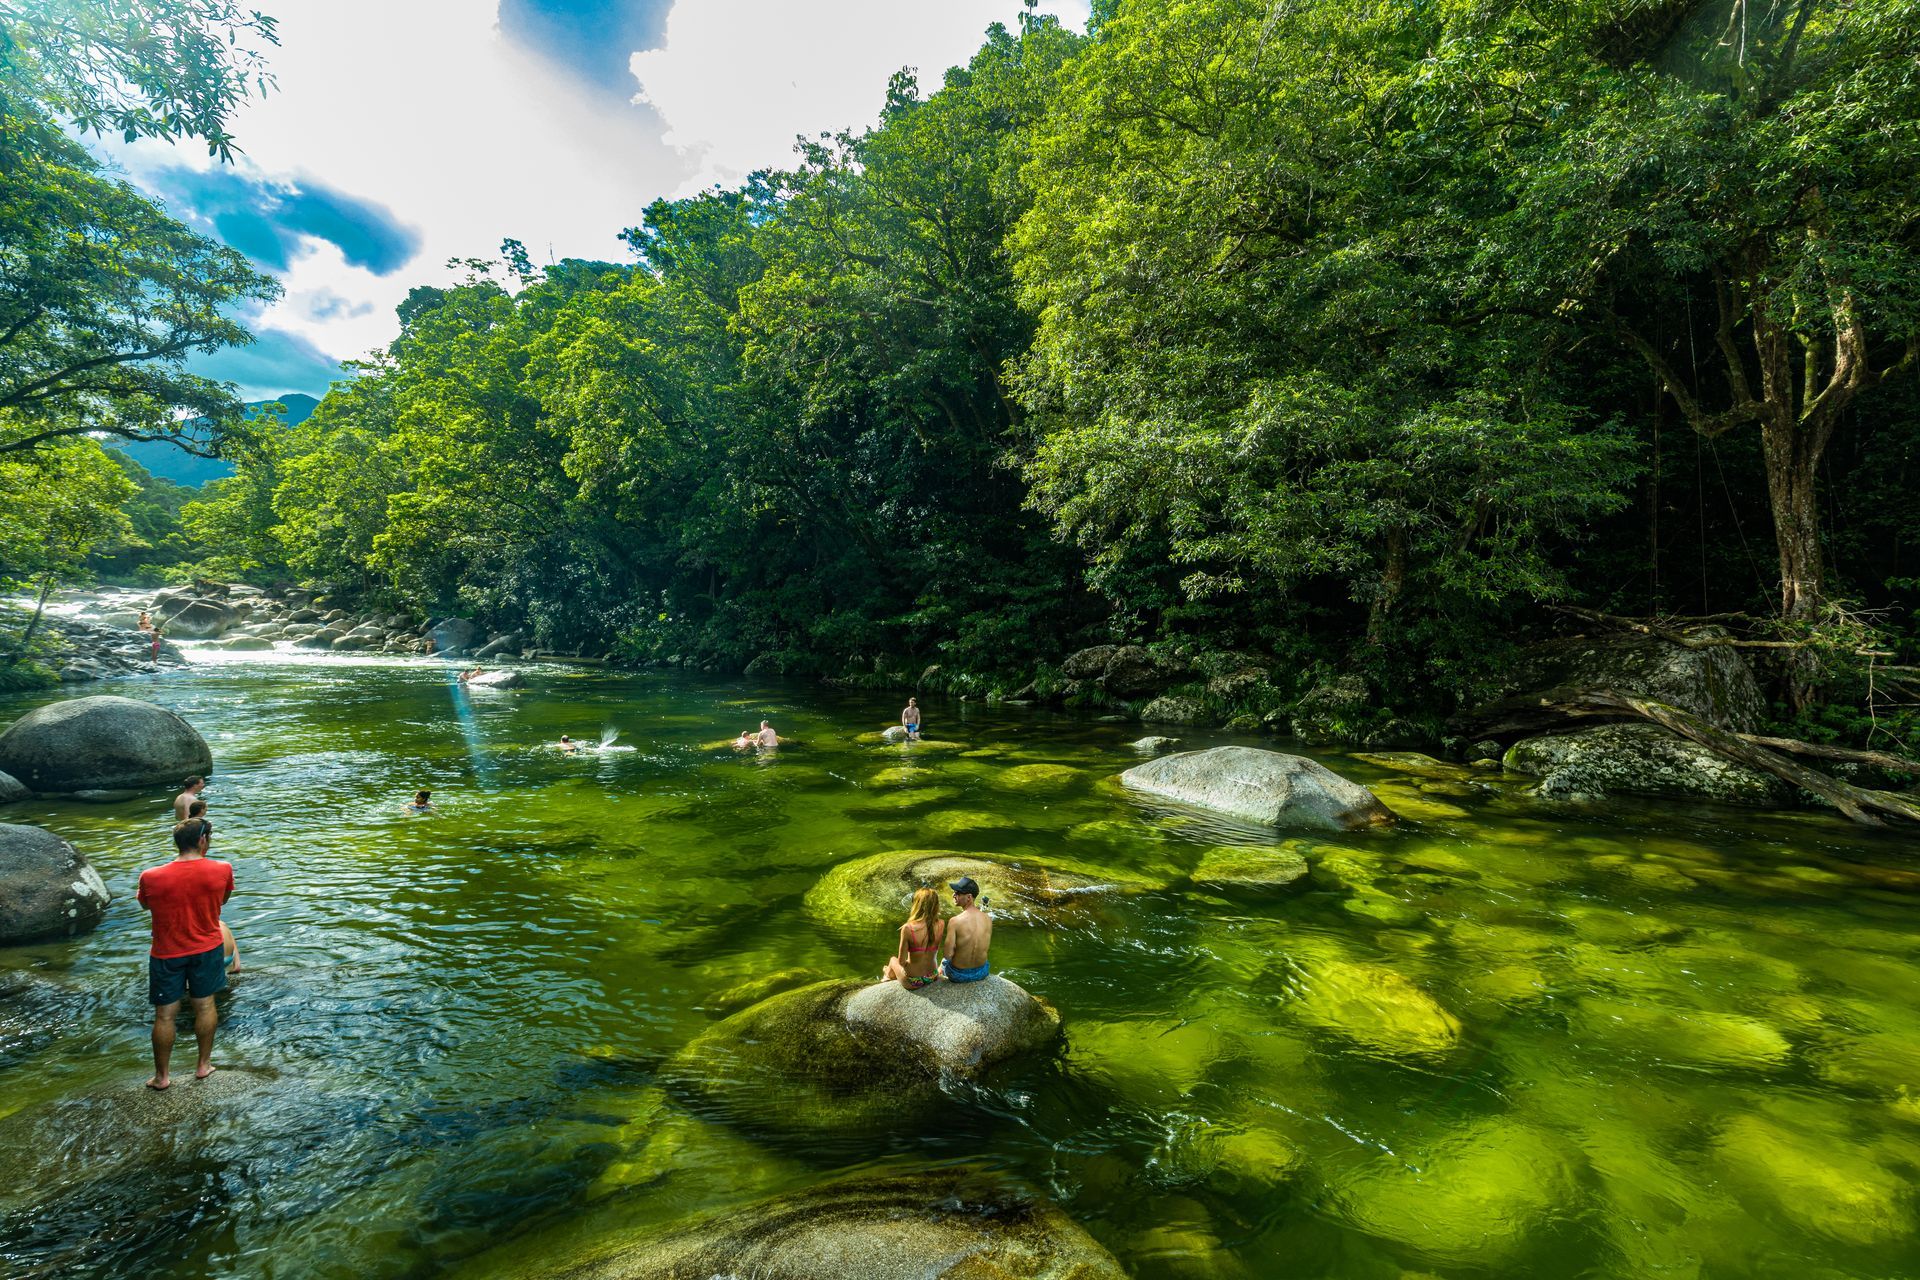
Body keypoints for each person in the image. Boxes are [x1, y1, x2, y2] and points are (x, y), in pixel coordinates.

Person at [136, 818, 234, 1089]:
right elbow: (222, 900)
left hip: (166, 952)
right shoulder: (222, 869)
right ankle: (203, 1066)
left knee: (165, 1015)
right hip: (207, 948)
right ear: (203, 840)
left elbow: (145, 905)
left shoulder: (150, 876)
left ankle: (162, 1077)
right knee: (204, 1005)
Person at [881, 888, 946, 991]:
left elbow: (901, 962)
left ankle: (887, 976)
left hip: (913, 981)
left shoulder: (908, 928)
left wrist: (909, 965)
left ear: (917, 904)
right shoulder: (941, 923)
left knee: (893, 960)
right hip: (932, 976)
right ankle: (888, 973)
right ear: (935, 905)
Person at [940, 876, 993, 983]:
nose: (953, 895)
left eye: (958, 893)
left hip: (958, 975)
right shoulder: (988, 919)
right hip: (982, 972)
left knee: (943, 961)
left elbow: (947, 955)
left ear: (969, 897)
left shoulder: (955, 921)